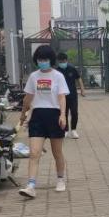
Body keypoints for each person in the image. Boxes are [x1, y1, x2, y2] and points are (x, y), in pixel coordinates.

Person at [18, 46, 69, 198]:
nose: (42, 62)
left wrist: (63, 115)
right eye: (40, 59)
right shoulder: (33, 76)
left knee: (57, 152)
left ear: (51, 60)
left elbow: (62, 97)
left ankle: (60, 179)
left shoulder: (58, 76)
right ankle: (31, 186)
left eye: (45, 59)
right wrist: (23, 114)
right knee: (34, 152)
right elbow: (27, 98)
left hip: (54, 115)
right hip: (37, 116)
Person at [55, 52, 84, 139]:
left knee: (74, 112)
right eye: (60, 62)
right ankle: (65, 130)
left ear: (66, 60)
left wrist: (82, 89)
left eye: (63, 61)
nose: (62, 63)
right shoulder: (57, 71)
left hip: (72, 95)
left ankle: (74, 130)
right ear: (58, 61)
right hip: (62, 96)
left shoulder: (72, 68)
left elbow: (79, 78)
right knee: (64, 113)